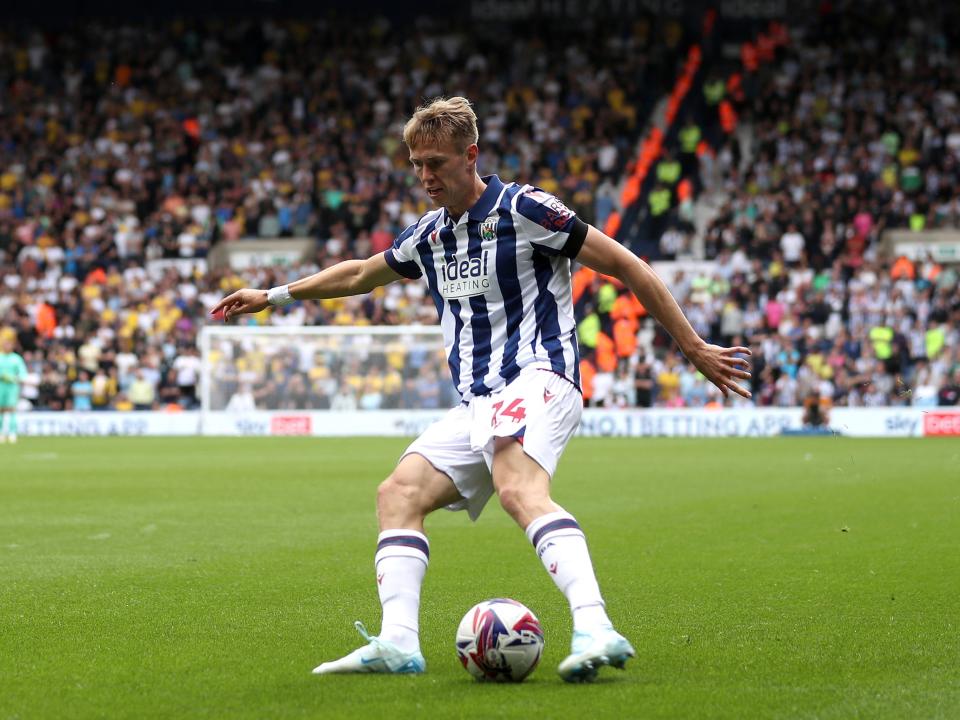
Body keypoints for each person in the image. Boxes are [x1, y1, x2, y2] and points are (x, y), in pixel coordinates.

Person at [212, 97, 751, 682]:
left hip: (540, 376)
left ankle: (596, 627)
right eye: (416, 165)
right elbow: (362, 274)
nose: (425, 176)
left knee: (518, 488)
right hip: (479, 402)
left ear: (470, 155)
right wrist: (273, 296)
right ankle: (397, 643)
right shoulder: (429, 234)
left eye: (436, 163)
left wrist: (693, 347)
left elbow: (628, 266)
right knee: (399, 493)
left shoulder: (525, 209)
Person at [0, 337, 28, 443]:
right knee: (0, 410)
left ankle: (12, 432)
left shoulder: (16, 358)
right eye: (5, 344)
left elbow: (23, 373)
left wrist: (13, 378)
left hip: (12, 387)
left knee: (11, 409)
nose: (7, 346)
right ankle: (1, 433)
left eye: (9, 344)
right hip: (0, 385)